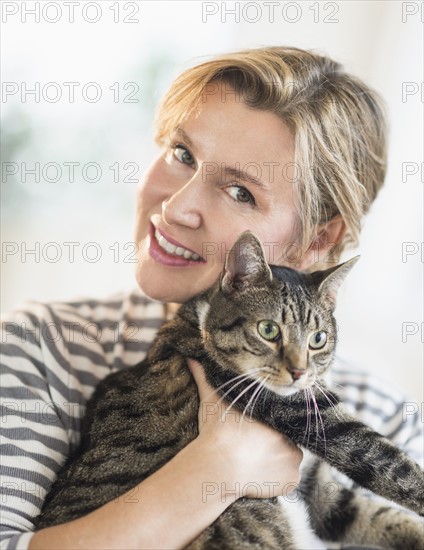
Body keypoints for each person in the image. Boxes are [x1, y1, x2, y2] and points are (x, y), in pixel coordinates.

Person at [1, 46, 422, 550]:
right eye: (183, 155)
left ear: (319, 241)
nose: (177, 209)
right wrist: (217, 469)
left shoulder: (387, 413)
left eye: (240, 191)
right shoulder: (40, 350)